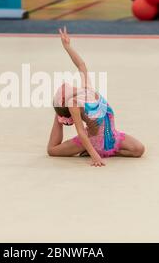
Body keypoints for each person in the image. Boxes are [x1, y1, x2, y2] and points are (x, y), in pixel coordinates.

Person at [47, 27, 145, 167]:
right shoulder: (73, 103)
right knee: (52, 151)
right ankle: (59, 120)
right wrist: (94, 155)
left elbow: (81, 65)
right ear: (63, 100)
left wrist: (67, 46)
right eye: (61, 90)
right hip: (91, 141)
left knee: (139, 150)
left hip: (113, 138)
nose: (63, 84)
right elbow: (81, 132)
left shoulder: (87, 89)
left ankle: (109, 151)